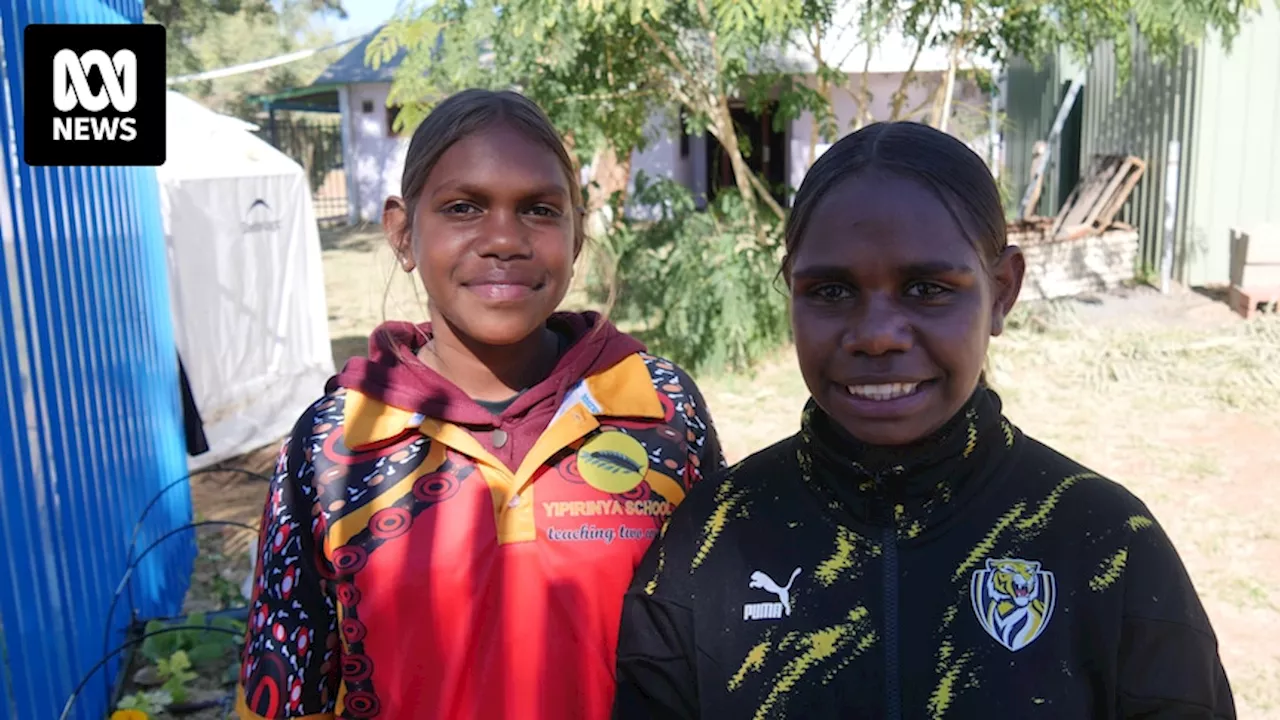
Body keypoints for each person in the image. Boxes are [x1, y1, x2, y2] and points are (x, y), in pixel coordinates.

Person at [612, 121, 1234, 719]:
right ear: (792, 293)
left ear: (1003, 292)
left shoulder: (1106, 545)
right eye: (831, 291)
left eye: (927, 288)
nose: (878, 336)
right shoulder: (708, 543)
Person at [236, 89, 724, 720]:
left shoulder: (661, 411)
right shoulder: (335, 444)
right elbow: (285, 686)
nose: (503, 240)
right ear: (403, 233)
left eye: (540, 210)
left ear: (577, 234)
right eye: (464, 207)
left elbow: (722, 638)